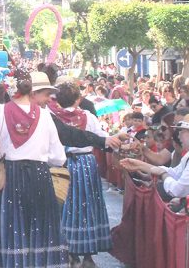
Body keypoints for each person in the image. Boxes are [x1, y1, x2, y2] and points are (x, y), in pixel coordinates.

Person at [0, 68, 67, 267]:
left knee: (9, 228)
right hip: (39, 176)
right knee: (38, 228)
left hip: (8, 175)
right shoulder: (45, 116)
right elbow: (58, 156)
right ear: (32, 92)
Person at [52, 82, 112, 267]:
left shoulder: (52, 117)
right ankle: (87, 254)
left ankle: (68, 251)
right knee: (88, 207)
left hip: (63, 164)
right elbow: (103, 137)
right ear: (78, 99)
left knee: (65, 208)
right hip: (86, 164)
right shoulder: (88, 117)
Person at [120, 114, 189, 200]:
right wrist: (140, 165)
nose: (178, 135)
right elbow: (174, 173)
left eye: (181, 131)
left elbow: (177, 190)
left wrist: (163, 174)